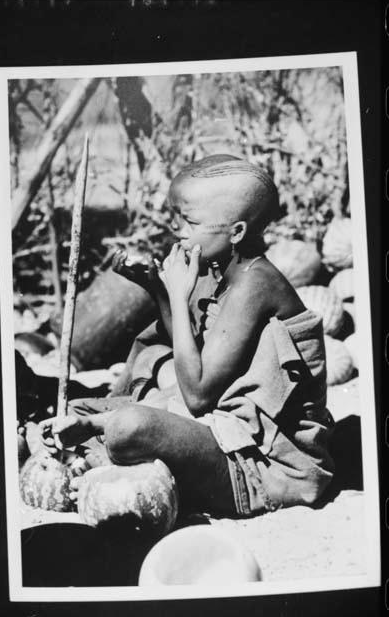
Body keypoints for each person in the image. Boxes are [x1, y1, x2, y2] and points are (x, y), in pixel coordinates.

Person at [40, 154, 335, 518]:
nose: (177, 227)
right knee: (78, 411)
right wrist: (158, 289)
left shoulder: (256, 284)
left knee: (128, 427)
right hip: (222, 424)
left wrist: (178, 294)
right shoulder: (225, 268)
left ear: (237, 232)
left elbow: (196, 394)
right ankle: (110, 453)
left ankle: (108, 465)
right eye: (176, 215)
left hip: (262, 464)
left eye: (190, 220)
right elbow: (191, 354)